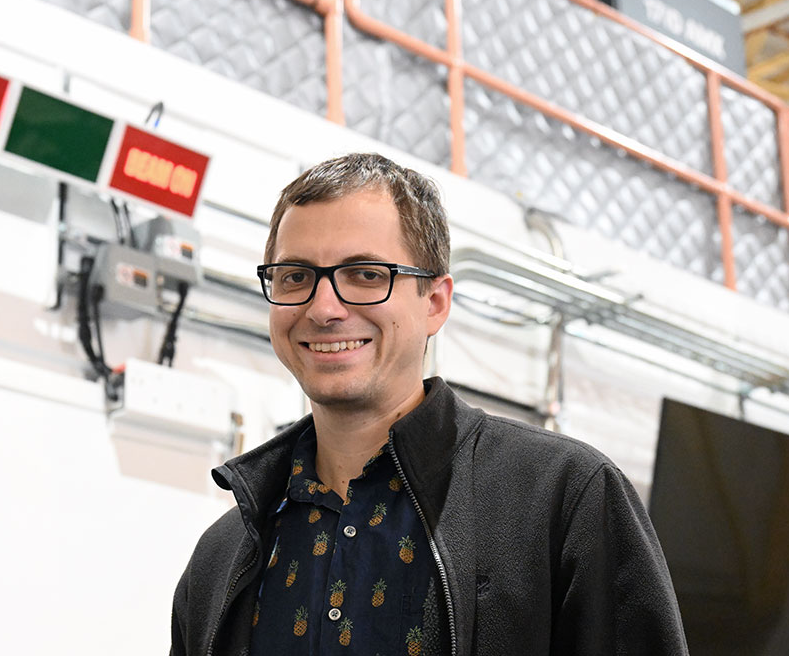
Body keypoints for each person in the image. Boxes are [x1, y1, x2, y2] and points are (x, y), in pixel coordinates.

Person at [170, 153, 688, 655]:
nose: (324, 308)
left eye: (367, 274)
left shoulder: (564, 498)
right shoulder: (220, 559)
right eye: (295, 277)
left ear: (435, 302)